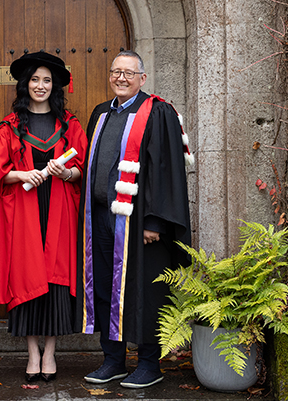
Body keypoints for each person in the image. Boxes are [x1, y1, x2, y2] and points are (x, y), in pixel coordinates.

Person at [76, 50, 194, 389]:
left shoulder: (158, 112)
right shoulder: (100, 113)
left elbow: (166, 170)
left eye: (129, 73)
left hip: (139, 223)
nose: (121, 78)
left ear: (142, 78)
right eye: (116, 72)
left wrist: (154, 221)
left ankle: (148, 363)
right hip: (101, 219)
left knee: (144, 291)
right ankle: (112, 360)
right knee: (106, 288)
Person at [0, 51, 87, 383]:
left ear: (55, 85)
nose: (40, 85)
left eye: (47, 80)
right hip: (25, 210)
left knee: (56, 278)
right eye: (34, 79)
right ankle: (32, 353)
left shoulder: (69, 125)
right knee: (26, 273)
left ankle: (51, 353)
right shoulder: (10, 127)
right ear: (25, 84)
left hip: (59, 207)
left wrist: (67, 173)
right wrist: (24, 174)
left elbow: (82, 171)